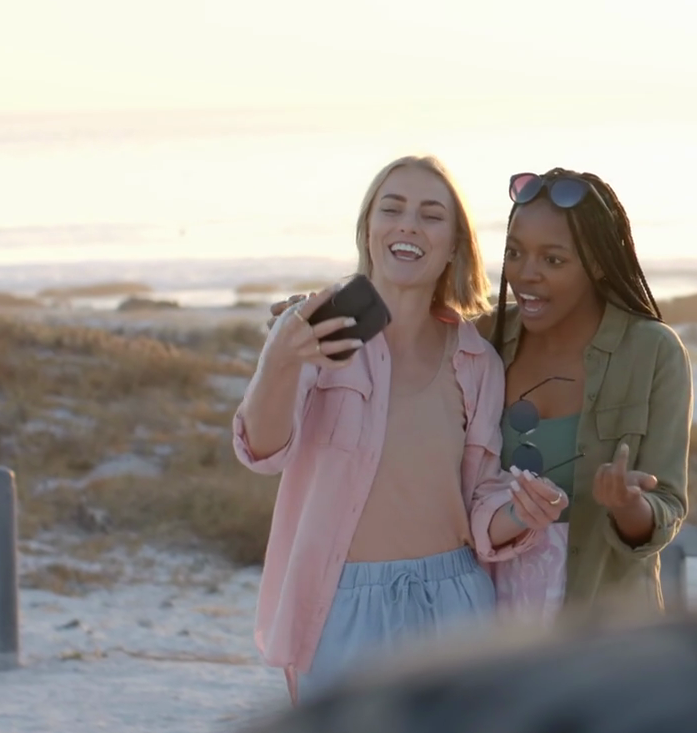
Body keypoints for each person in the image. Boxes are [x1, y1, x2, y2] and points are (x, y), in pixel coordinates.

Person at [232, 154, 569, 703]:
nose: (409, 225)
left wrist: (522, 513)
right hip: (342, 605)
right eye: (392, 209)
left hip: (457, 603)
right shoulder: (317, 333)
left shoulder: (477, 361)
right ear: (368, 228)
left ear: (454, 245)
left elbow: (479, 501)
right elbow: (262, 451)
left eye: (431, 215)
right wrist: (279, 359)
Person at [482, 168, 692, 617]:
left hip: (603, 625)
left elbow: (668, 505)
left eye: (553, 260)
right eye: (515, 253)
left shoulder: (653, 351)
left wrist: (629, 506)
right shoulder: (484, 340)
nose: (526, 274)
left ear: (597, 264)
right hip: (488, 620)